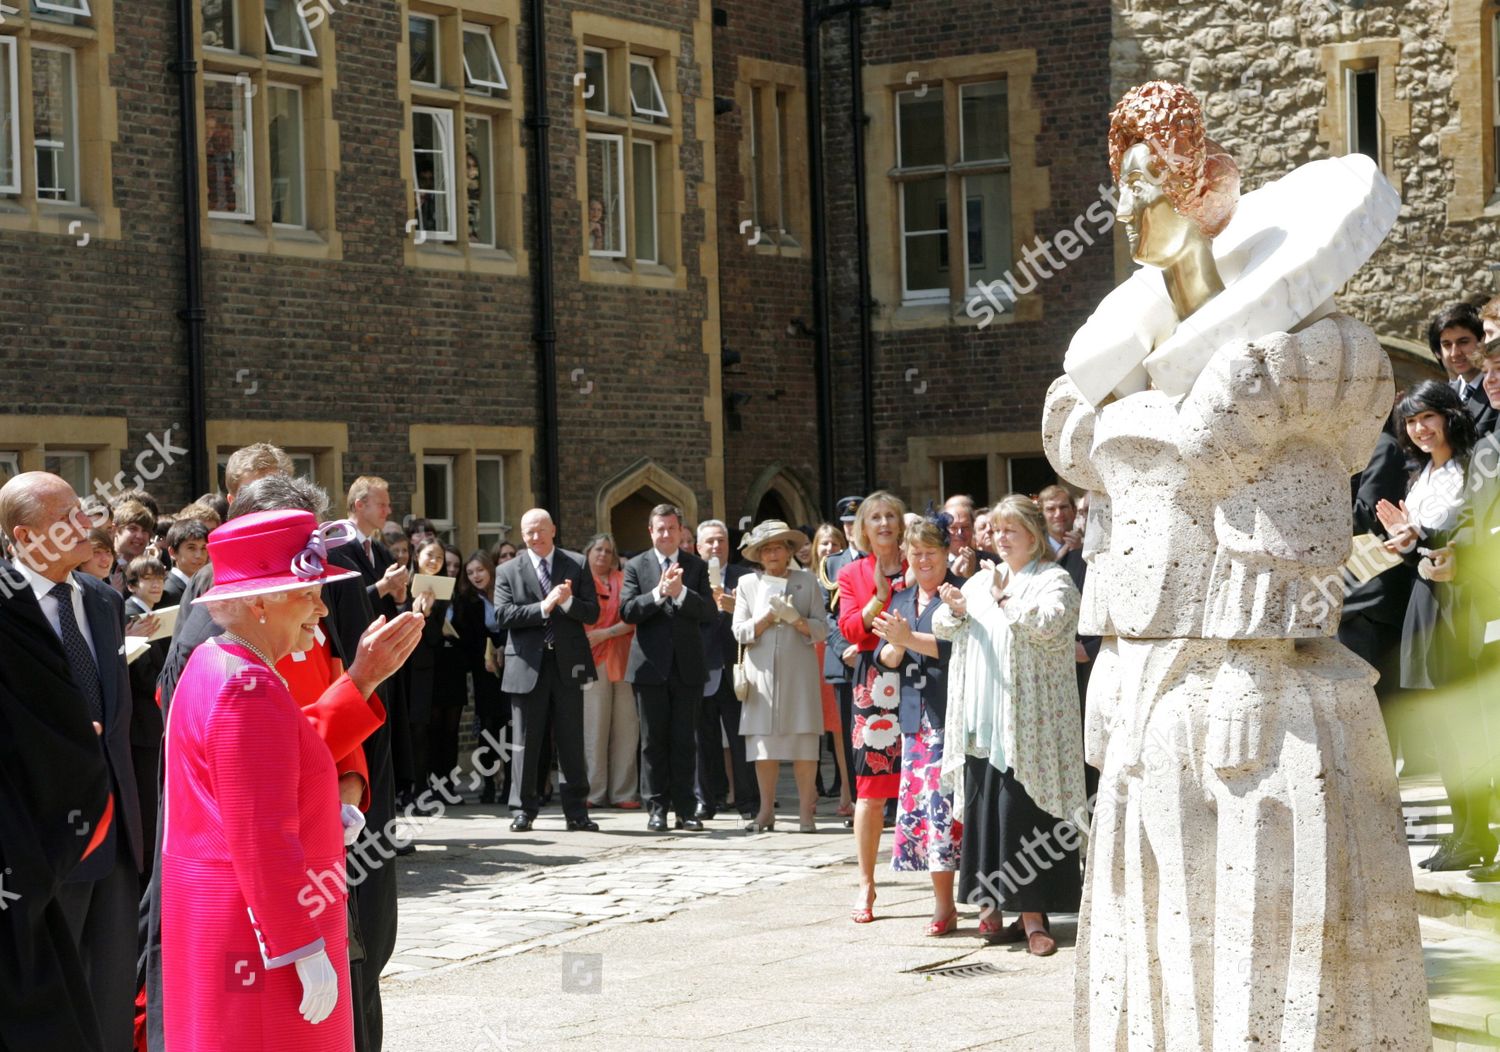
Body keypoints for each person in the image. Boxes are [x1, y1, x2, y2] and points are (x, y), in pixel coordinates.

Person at [160, 508, 364, 1050]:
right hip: (258, 940)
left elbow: (232, 800)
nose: (321, 608)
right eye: (308, 592)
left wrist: (324, 810)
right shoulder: (246, 685)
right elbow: (260, 836)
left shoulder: (214, 661)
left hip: (231, 924)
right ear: (259, 601)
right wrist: (301, 946)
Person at [0, 472, 127, 1052]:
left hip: (117, 831)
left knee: (109, 995)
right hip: (41, 842)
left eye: (84, 511)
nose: (86, 526)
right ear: (25, 537)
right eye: (66, 518)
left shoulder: (102, 598)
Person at [933, 496, 1084, 956]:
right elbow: (942, 625)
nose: (1000, 538)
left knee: (1023, 814)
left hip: (1029, 722)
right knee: (988, 812)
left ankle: (1034, 916)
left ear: (1034, 536)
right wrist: (957, 606)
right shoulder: (980, 580)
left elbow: (1050, 626)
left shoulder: (1053, 580)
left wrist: (1003, 597)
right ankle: (991, 907)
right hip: (983, 716)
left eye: (1010, 530)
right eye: (996, 530)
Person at [1379, 380, 1486, 871]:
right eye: (1411, 420)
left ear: (1448, 415)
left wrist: (1451, 550)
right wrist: (1406, 539)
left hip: (1460, 598)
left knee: (1462, 723)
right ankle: (1461, 831)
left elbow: (1478, 531)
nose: (1419, 428)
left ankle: (1477, 831)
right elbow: (1421, 544)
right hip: (1424, 595)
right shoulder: (1421, 475)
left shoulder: (1474, 467)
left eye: (1427, 417)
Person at [873, 514, 963, 934]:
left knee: (959, 813)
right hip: (916, 723)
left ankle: (986, 905)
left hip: (956, 717)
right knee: (931, 817)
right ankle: (943, 906)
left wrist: (904, 641)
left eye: (931, 552)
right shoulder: (902, 600)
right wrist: (894, 647)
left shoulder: (959, 595)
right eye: (916, 553)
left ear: (946, 554)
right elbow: (884, 656)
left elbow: (948, 647)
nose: (923, 560)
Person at [493, 508, 601, 832]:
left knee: (571, 741)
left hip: (568, 663)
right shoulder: (508, 570)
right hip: (527, 666)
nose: (535, 537)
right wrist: (544, 606)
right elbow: (503, 615)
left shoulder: (577, 564)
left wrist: (567, 603)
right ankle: (523, 810)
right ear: (522, 535)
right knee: (526, 741)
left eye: (540, 530)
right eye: (529, 533)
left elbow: (592, 613)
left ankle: (577, 812)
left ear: (553, 529)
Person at [620, 503, 715, 832]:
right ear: (651, 531)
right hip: (649, 669)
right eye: (659, 529)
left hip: (687, 667)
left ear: (680, 532)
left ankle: (686, 809)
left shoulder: (697, 566)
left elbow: (709, 613)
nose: (665, 534)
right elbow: (628, 611)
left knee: (684, 741)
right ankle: (657, 809)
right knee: (652, 741)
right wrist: (659, 593)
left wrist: (682, 593)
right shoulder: (635, 566)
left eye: (671, 529)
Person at [837, 490, 908, 921]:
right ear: (863, 528)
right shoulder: (852, 572)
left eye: (890, 517)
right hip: (874, 684)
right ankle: (866, 884)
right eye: (875, 518)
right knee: (871, 790)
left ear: (901, 524)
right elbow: (849, 629)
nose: (883, 524)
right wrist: (879, 596)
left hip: (920, 671)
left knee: (931, 780)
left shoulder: (918, 560)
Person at [732, 520, 829, 832]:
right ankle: (765, 812)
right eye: (766, 549)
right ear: (759, 555)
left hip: (798, 673)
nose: (773, 553)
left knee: (803, 744)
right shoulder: (748, 584)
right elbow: (739, 631)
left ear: (789, 551)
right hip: (761, 674)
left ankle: (805, 814)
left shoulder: (807, 581)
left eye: (779, 547)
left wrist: (796, 620)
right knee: (764, 746)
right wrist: (765, 620)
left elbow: (822, 628)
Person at [580, 533, 639, 809]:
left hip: (623, 658)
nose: (603, 554)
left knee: (626, 728)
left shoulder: (623, 579)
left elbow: (632, 617)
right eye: (598, 550)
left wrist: (605, 633)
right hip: (590, 661)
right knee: (594, 727)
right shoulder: (580, 582)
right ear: (588, 552)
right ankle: (593, 791)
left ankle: (623, 792)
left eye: (608, 550)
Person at [459, 550, 508, 805]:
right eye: (470, 572)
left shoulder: (505, 593)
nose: (476, 576)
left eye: (480, 570)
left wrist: (502, 649)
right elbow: (469, 637)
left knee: (509, 726)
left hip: (509, 668)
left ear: (490, 569)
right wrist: (486, 653)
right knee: (487, 727)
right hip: (484, 672)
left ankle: (509, 784)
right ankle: (488, 785)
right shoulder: (469, 601)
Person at [811, 522, 852, 816]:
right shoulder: (809, 578)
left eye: (834, 543)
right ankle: (811, 792)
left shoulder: (844, 570)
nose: (829, 548)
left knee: (842, 728)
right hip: (816, 657)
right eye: (823, 543)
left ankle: (848, 794)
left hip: (839, 651)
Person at [1428, 301, 1495, 434]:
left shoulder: (1495, 388)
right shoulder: (1441, 398)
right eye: (1447, 344)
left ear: (1482, 341)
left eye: (1463, 342)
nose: (1455, 353)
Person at [163, 517, 210, 607]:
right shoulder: (168, 592)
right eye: (191, 548)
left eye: (203, 548)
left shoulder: (202, 586)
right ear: (172, 552)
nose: (199, 555)